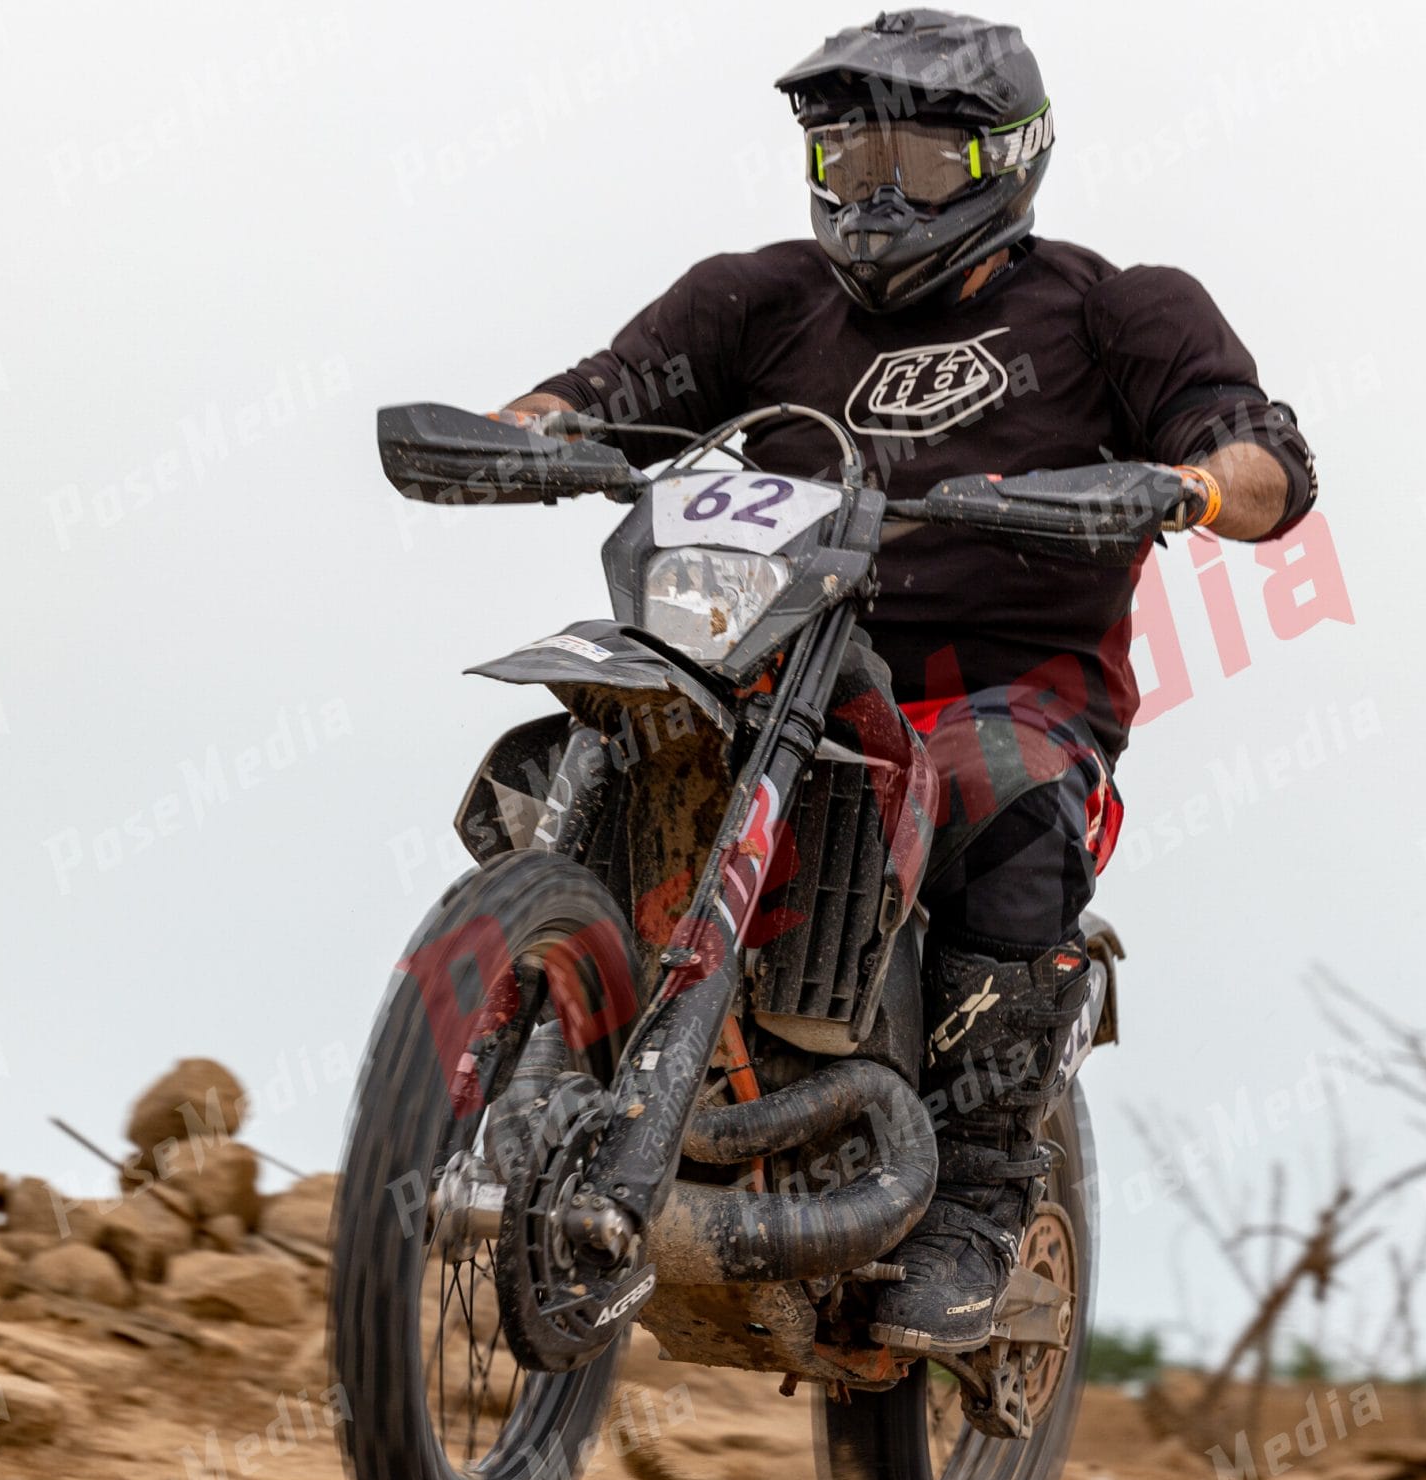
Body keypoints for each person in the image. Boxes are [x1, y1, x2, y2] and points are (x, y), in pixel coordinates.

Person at [501, 10, 1318, 1354]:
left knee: (1001, 790)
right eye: (848, 162)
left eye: (916, 166)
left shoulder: (1118, 311)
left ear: (1010, 158)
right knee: (571, 747)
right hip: (763, 668)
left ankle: (977, 1204)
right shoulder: (756, 299)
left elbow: (1264, 461)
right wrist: (520, 435)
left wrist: (1186, 485)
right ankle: (514, 1079)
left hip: (995, 695)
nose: (874, 200)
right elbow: (598, 391)